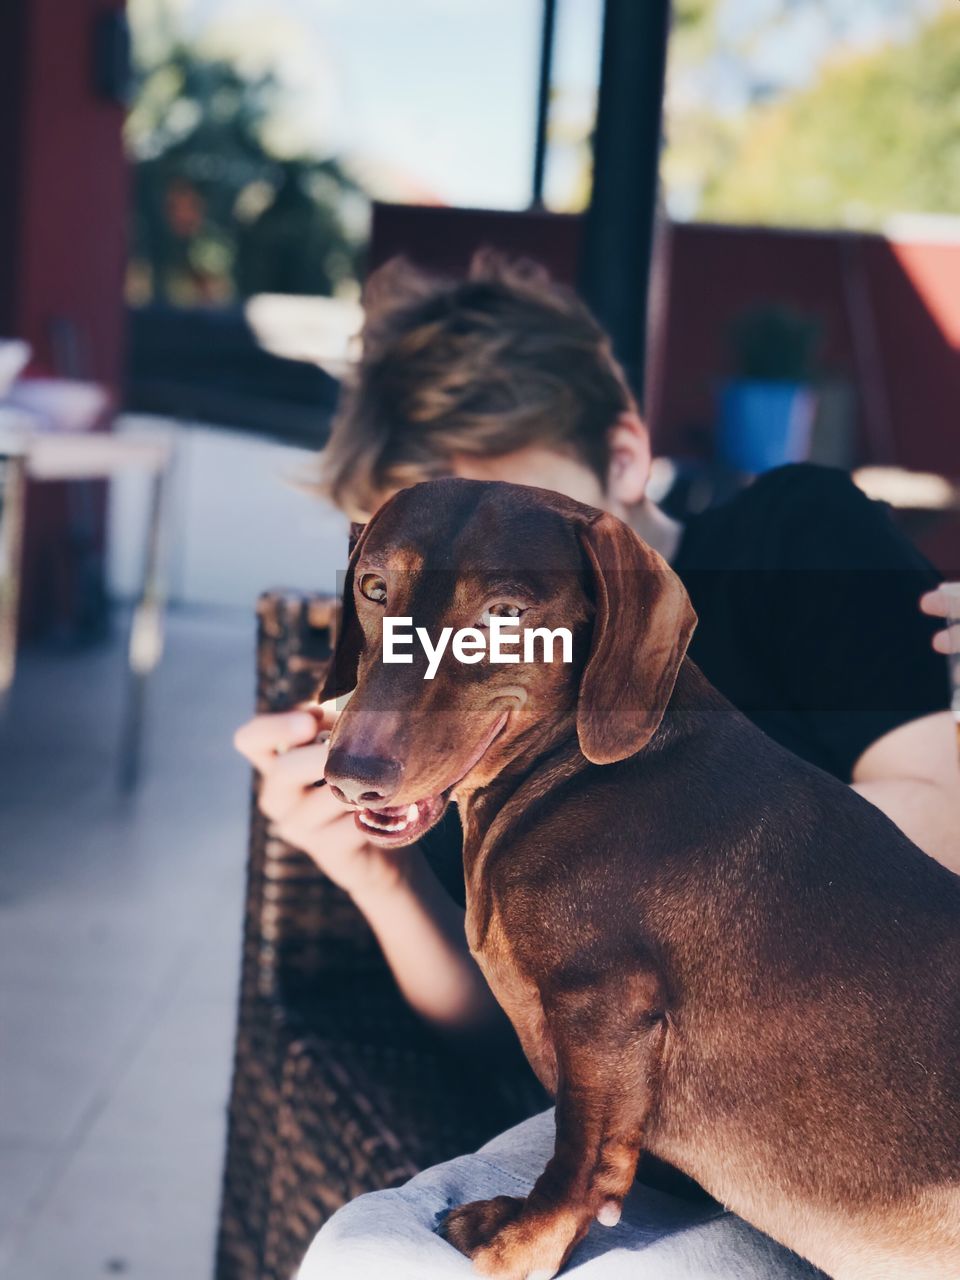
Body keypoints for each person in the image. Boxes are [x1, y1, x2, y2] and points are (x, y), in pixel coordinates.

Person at [233, 254, 959, 1279]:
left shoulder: (793, 538)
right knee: (370, 1257)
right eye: (404, 573)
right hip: (626, 1116)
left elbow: (933, 850)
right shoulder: (438, 721)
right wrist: (372, 867)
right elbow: (502, 1028)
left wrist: (617, 904)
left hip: (871, 1121)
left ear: (622, 456)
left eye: (500, 560)